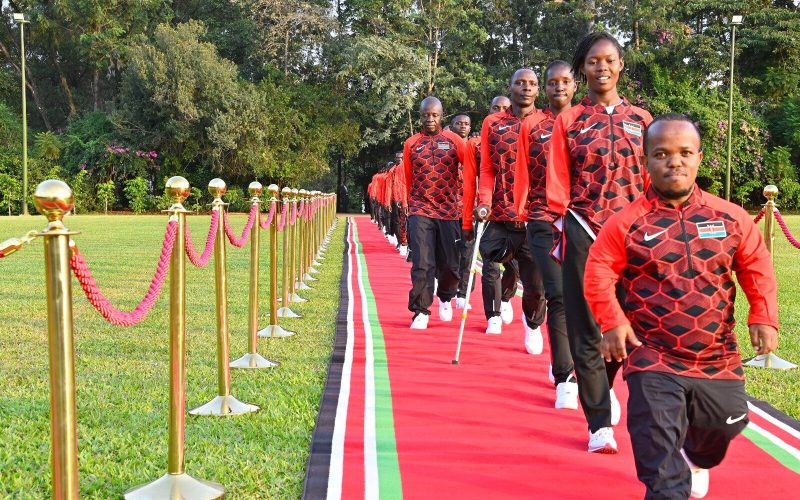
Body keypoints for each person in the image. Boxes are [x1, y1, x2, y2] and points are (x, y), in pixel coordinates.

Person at [584, 114, 778, 499]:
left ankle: (698, 455)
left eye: (685, 152)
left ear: (699, 158)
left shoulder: (731, 218)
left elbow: (756, 266)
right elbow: (598, 271)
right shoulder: (626, 223)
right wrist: (612, 322)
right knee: (657, 451)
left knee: (722, 428)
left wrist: (763, 316)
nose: (675, 161)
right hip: (652, 355)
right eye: (662, 153)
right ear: (646, 162)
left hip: (716, 358)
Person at [542, 32, 653, 453]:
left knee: (626, 324)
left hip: (634, 235)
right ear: (582, 69)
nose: (601, 67)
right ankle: (598, 426)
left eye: (609, 60)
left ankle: (602, 388)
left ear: (621, 65)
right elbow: (556, 180)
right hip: (583, 231)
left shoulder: (642, 120)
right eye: (592, 61)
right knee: (586, 326)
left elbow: (651, 181)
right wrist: (562, 225)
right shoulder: (568, 121)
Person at [466, 68, 546, 350]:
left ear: (538, 90)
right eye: (520, 83)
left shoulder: (548, 123)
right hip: (499, 214)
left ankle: (533, 324)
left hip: (535, 218)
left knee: (535, 285)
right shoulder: (493, 123)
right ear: (510, 87)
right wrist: (484, 201)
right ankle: (494, 315)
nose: (526, 88)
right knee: (490, 260)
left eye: (532, 84)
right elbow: (486, 168)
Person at [516, 60, 578, 408]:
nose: (558, 88)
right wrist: (523, 211)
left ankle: (586, 365)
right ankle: (564, 375)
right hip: (541, 218)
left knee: (582, 300)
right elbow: (522, 172)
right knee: (556, 295)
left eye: (564, 81)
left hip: (582, 221)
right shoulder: (532, 125)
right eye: (552, 82)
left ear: (574, 85)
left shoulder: (587, 121)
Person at [404, 96, 475, 329]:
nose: (430, 119)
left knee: (449, 265)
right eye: (426, 115)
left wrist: (468, 203)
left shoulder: (454, 141)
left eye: (434, 115)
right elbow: (408, 177)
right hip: (420, 208)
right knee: (422, 263)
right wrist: (412, 206)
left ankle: (445, 296)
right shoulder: (411, 143)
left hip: (448, 211)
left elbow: (470, 169)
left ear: (441, 116)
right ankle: (421, 310)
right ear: (420, 116)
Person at [450, 113, 478, 309]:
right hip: (448, 209)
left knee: (468, 253)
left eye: (466, 124)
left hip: (471, 209)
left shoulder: (477, 148)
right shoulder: (446, 148)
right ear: (451, 126)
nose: (463, 126)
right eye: (459, 123)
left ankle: (464, 293)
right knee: (450, 253)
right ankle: (448, 287)